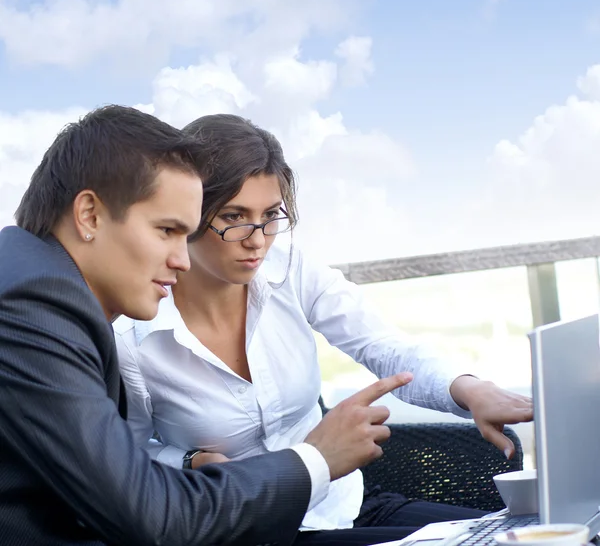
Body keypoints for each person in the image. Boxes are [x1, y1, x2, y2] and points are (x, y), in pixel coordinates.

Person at [0, 104, 414, 546]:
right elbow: (155, 518)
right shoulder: (31, 306)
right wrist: (315, 458)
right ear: (90, 215)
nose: (181, 260)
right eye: (167, 230)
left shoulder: (37, 285)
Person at [114, 113, 534, 546]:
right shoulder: (135, 335)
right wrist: (188, 460)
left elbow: (383, 346)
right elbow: (124, 461)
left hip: (340, 506)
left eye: (271, 215)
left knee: (524, 533)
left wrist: (467, 389)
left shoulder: (289, 268)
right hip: (246, 528)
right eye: (235, 216)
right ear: (190, 214)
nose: (257, 239)